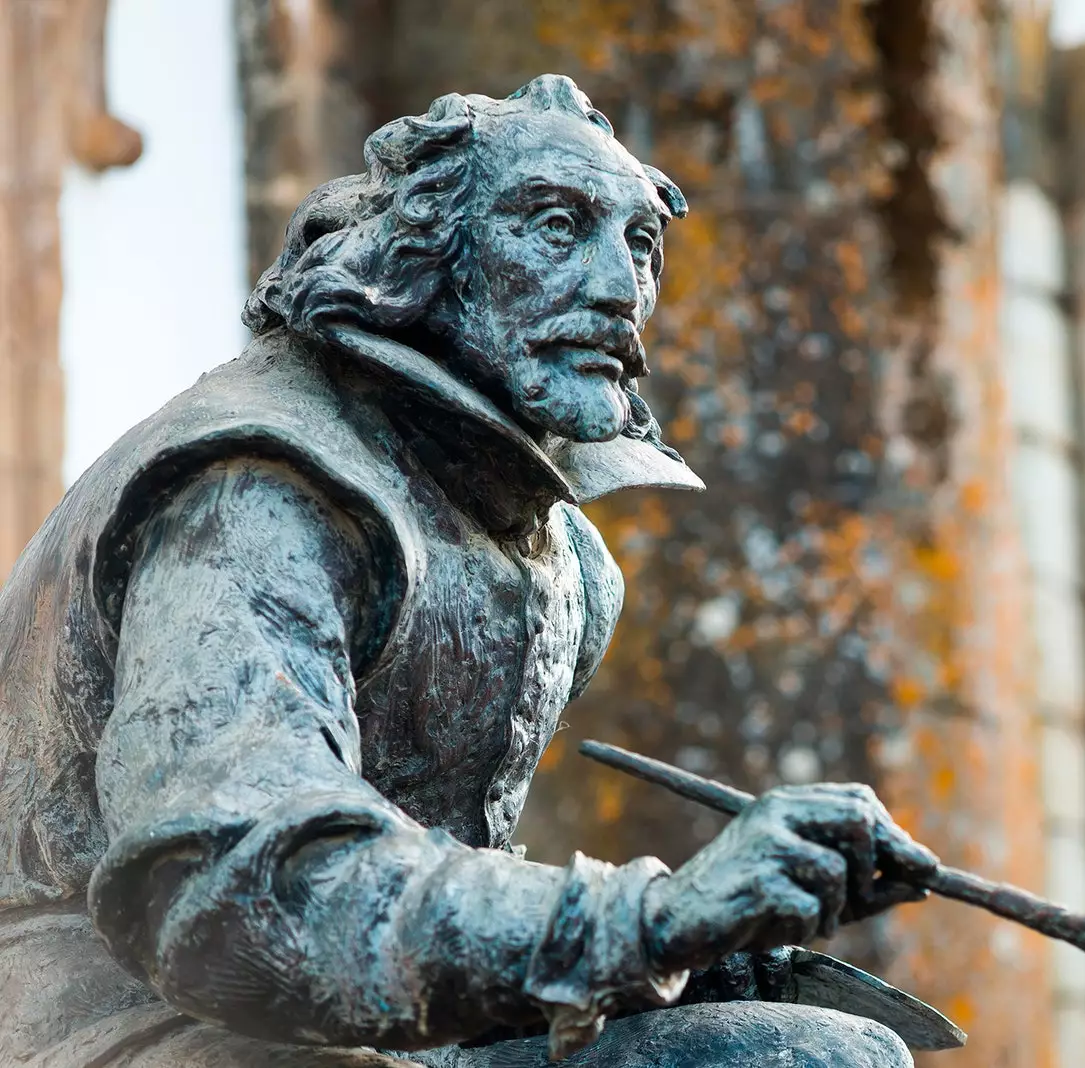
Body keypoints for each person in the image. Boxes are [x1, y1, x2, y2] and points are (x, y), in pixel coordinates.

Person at [0, 75, 933, 1068]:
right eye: (555, 225)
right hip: (121, 1024)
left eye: (640, 246)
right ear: (426, 252)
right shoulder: (260, 485)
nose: (620, 290)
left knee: (827, 1053)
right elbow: (236, 889)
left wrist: (698, 943)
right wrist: (648, 919)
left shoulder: (559, 560)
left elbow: (423, 877)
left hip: (354, 1032)